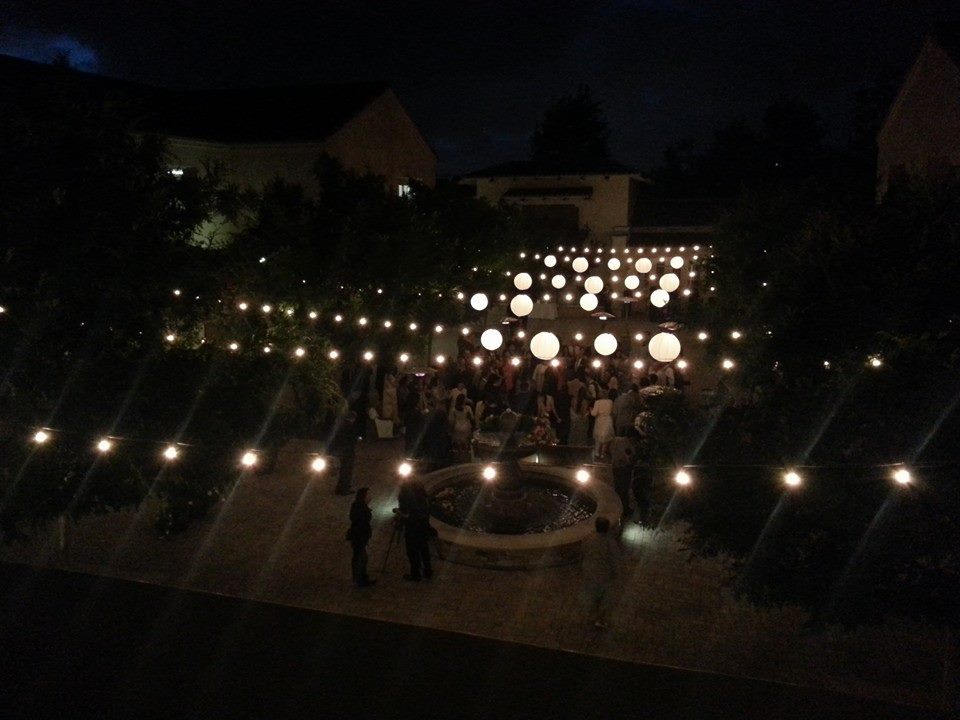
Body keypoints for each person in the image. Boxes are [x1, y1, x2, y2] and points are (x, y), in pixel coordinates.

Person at [579, 516, 619, 628]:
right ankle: (600, 619)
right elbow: (614, 559)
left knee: (591, 595)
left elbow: (582, 553)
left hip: (589, 571)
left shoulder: (588, 538)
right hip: (603, 574)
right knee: (603, 598)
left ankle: (590, 615)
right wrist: (615, 573)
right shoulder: (609, 542)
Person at [397, 476, 433, 581]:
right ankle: (428, 571)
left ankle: (415, 574)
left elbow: (406, 514)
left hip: (412, 527)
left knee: (412, 551)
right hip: (423, 526)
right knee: (424, 549)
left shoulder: (405, 495)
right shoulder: (421, 493)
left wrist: (398, 512)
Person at [346, 487, 375, 586]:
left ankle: (360, 577)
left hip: (358, 536)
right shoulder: (362, 509)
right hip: (359, 536)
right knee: (361, 557)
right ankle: (360, 579)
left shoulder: (357, 506)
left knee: (360, 556)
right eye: (368, 495)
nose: (370, 497)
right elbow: (361, 523)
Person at [608, 432, 637, 516]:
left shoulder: (615, 440)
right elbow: (631, 455)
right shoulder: (628, 444)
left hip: (615, 466)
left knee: (618, 487)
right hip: (624, 468)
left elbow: (609, 450)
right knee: (624, 488)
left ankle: (617, 506)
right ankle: (624, 509)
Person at [331, 410, 358, 496]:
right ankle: (345, 489)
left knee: (342, 470)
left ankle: (339, 489)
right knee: (347, 471)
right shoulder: (351, 427)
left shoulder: (340, 426)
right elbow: (352, 440)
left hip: (340, 451)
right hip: (348, 452)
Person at [591, 388, 615, 460]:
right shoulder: (610, 402)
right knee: (606, 438)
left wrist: (590, 410)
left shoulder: (597, 402)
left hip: (600, 420)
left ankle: (597, 452)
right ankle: (603, 453)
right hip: (608, 420)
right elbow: (612, 411)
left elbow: (594, 413)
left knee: (598, 437)